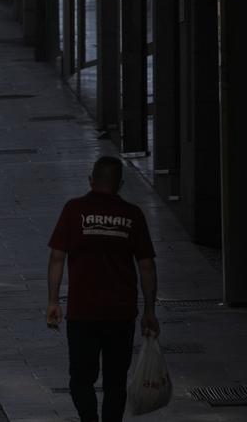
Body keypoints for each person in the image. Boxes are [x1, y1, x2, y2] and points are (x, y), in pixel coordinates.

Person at [46, 156, 159, 422]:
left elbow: (57, 258)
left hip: (82, 312)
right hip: (121, 314)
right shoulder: (133, 215)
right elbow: (147, 267)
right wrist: (150, 311)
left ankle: (89, 420)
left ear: (90, 180)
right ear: (119, 184)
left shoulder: (73, 211)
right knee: (115, 382)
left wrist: (53, 301)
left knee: (81, 379)